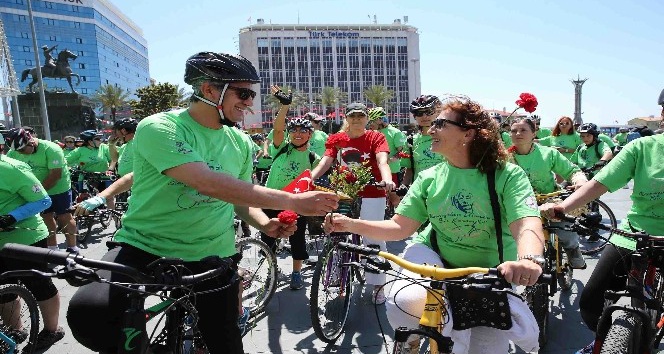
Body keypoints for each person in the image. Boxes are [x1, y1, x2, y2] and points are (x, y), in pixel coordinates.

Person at [66, 51, 338, 354]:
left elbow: (239, 197)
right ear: (209, 90)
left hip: (211, 253)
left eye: (252, 94)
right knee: (90, 313)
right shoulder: (161, 126)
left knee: (225, 345)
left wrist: (266, 223)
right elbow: (206, 182)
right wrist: (295, 201)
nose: (250, 102)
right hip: (143, 245)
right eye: (244, 93)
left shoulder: (240, 142)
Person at [324, 97, 545, 354]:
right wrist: (350, 224)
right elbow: (400, 227)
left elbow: (527, 221)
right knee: (405, 300)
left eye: (440, 123)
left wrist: (529, 259)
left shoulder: (508, 175)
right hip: (434, 260)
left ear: (469, 133)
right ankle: (409, 343)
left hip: (491, 273)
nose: (430, 130)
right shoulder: (429, 178)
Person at [540, 125, 664, 354]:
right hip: (636, 234)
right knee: (590, 303)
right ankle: (607, 342)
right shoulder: (643, 147)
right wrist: (562, 207)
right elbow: (598, 184)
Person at [311, 102, 396, 304]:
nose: (356, 119)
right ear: (346, 119)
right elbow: (326, 162)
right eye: (352, 116)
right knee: (335, 230)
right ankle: (334, 272)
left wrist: (387, 179)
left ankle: (377, 284)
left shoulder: (376, 137)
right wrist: (310, 178)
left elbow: (382, 161)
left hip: (372, 191)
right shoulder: (337, 139)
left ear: (367, 118)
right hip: (344, 191)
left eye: (360, 116)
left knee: (372, 235)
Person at [0, 148, 65, 351]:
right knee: (4, 287)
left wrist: (11, 217)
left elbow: (43, 200)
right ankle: (15, 330)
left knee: (39, 284)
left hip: (25, 237)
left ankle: (52, 330)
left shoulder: (11, 168)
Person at [260, 86, 319, 290]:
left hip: (296, 203)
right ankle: (271, 270)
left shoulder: (312, 157)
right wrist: (285, 106)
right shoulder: (281, 147)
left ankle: (296, 273)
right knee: (268, 240)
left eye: (303, 130)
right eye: (294, 130)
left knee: (297, 239)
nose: (298, 134)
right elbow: (277, 129)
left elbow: (320, 175)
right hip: (270, 199)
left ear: (310, 134)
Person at [509, 118, 588, 268]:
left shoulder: (549, 153)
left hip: (549, 199)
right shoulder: (504, 158)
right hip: (519, 203)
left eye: (523, 130)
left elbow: (572, 171)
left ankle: (573, 250)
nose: (518, 133)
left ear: (534, 133)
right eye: (513, 131)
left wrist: (579, 181)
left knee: (564, 226)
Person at [5, 128, 79, 254]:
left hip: (58, 188)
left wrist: (38, 193)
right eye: (18, 151)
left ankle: (72, 247)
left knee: (64, 216)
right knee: (46, 217)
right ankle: (52, 248)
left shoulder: (51, 149)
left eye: (22, 149)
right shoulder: (15, 152)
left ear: (31, 142)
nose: (20, 153)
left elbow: (55, 175)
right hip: (36, 189)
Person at [367, 106, 407, 207]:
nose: (370, 124)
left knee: (394, 200)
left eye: (372, 121)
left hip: (392, 170)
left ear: (380, 120)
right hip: (376, 171)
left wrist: (389, 159)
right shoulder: (372, 133)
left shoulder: (395, 132)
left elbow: (401, 151)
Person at [401, 95, 445, 186]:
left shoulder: (447, 137)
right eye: (419, 113)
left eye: (428, 112)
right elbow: (410, 168)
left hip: (444, 190)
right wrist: (404, 185)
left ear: (437, 113)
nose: (424, 116)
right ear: (414, 116)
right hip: (420, 192)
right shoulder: (410, 141)